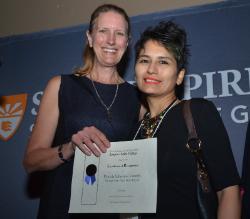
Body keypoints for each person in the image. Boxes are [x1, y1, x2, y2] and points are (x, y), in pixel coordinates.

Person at [23, 4, 141, 219]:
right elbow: (31, 161)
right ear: (89, 37)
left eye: (119, 33)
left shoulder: (137, 99)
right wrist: (68, 149)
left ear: (127, 42)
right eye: (103, 31)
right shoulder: (60, 86)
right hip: (59, 209)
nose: (111, 40)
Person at [132, 20, 241, 218]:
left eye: (163, 61)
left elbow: (228, 191)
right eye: (144, 60)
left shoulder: (198, 112)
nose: (151, 69)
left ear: (180, 76)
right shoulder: (134, 130)